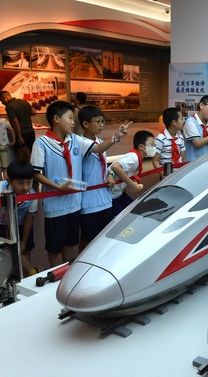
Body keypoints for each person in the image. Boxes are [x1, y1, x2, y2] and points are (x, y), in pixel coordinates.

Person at [30, 100, 128, 267]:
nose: (73, 122)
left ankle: (67, 273)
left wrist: (116, 137)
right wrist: (57, 187)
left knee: (70, 243)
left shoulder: (75, 140)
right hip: (54, 206)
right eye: (70, 118)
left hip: (74, 204)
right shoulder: (41, 144)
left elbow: (98, 149)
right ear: (56, 119)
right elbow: (35, 173)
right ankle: (56, 277)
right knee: (54, 247)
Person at [77, 105, 120, 252]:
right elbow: (97, 150)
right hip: (89, 201)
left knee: (103, 237)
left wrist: (110, 175)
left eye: (103, 121)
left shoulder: (101, 142)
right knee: (88, 239)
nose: (102, 125)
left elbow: (104, 166)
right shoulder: (79, 142)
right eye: (98, 121)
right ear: (85, 124)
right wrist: (117, 137)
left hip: (105, 199)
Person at [0, 160, 40, 277]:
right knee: (12, 249)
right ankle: (28, 272)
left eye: (29, 182)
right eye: (20, 183)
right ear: (10, 181)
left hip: (22, 224)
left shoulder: (32, 195)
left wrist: (24, 241)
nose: (25, 187)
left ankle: (28, 275)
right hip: (4, 224)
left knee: (25, 248)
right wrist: (2, 201)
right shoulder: (2, 186)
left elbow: (29, 219)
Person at [107, 130, 155, 217]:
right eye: (152, 144)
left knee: (133, 211)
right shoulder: (133, 158)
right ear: (141, 146)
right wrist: (131, 184)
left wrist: (126, 184)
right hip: (111, 196)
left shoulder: (135, 157)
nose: (154, 147)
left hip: (118, 193)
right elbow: (115, 167)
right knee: (121, 219)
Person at [0, 91, 37, 155]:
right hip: (31, 132)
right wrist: (25, 115)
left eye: (1, 100)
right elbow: (34, 112)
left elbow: (15, 122)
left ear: (4, 98)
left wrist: (19, 137)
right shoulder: (24, 101)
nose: (2, 103)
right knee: (31, 153)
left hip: (22, 133)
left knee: (21, 155)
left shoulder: (9, 107)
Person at [153, 108, 187, 178]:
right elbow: (155, 160)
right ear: (174, 122)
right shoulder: (160, 138)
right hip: (166, 174)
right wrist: (161, 173)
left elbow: (183, 158)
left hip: (179, 173)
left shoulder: (180, 137)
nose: (183, 121)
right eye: (181, 119)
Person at [183, 95, 208, 161]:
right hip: (192, 163)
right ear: (201, 105)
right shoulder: (191, 122)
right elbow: (197, 143)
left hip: (206, 162)